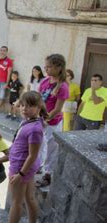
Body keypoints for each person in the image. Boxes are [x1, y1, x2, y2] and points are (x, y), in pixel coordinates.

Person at [0, 91, 45, 223]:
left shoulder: (34, 128)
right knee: (29, 198)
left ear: (39, 106)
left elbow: (33, 155)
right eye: (22, 105)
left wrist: (21, 174)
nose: (24, 109)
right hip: (24, 166)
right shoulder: (31, 121)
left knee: (16, 201)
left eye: (29, 106)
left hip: (21, 168)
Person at [36, 54, 69, 188]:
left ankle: (48, 174)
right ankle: (37, 166)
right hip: (41, 119)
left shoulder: (62, 87)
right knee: (38, 145)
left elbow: (58, 109)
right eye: (46, 66)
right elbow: (38, 99)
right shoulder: (45, 81)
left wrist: (46, 119)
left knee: (51, 148)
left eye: (49, 67)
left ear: (59, 67)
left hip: (52, 122)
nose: (46, 69)